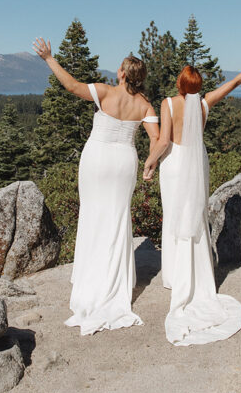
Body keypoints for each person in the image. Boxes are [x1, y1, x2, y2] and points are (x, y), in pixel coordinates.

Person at [144, 47, 241, 346]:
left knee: (176, 216)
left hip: (175, 164)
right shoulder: (204, 105)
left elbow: (164, 141)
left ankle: (175, 275)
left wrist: (151, 161)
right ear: (199, 86)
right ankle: (199, 276)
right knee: (196, 216)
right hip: (197, 161)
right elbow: (235, 83)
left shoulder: (167, 103)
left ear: (179, 85)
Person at [33, 38, 160, 335]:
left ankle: (91, 282)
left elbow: (72, 86)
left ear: (123, 74)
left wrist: (49, 59)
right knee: (117, 219)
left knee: (93, 216)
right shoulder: (144, 105)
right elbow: (155, 139)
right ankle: (114, 284)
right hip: (124, 162)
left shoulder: (104, 92)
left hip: (97, 158)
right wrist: (150, 164)